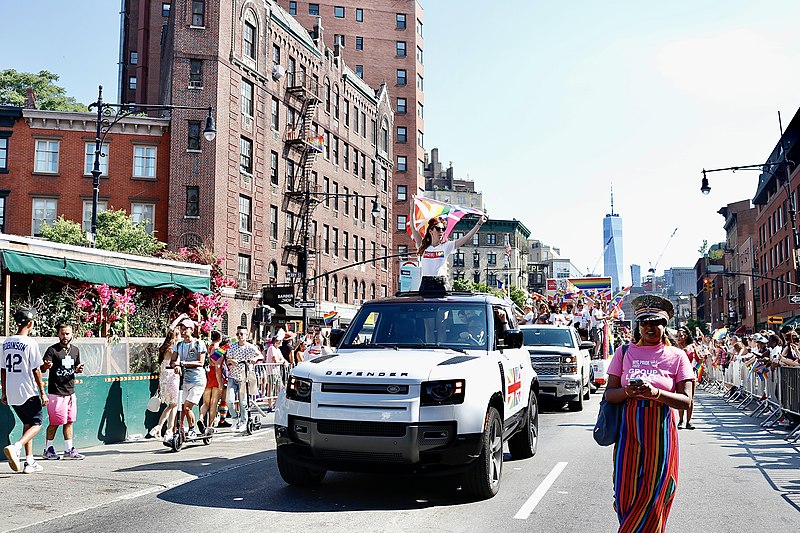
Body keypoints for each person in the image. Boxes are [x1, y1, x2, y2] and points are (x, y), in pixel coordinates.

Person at [605, 295, 694, 532]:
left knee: (655, 495)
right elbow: (609, 395)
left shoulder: (678, 356)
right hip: (628, 429)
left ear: (665, 326)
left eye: (655, 322)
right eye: (644, 322)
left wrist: (655, 393)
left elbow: (686, 401)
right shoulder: (623, 352)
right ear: (638, 325)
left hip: (661, 430)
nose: (649, 327)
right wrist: (627, 391)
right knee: (624, 494)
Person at [2, 308, 48, 474]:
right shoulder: (30, 343)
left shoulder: (6, 342)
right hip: (28, 391)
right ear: (30, 323)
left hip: (12, 392)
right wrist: (42, 392)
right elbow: (37, 370)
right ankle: (16, 447)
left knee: (27, 423)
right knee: (37, 424)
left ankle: (29, 462)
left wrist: (5, 392)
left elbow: (3, 369)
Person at [410, 208, 487, 292]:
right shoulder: (423, 246)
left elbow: (466, 238)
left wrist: (479, 223)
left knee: (443, 304)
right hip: (426, 283)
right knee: (426, 304)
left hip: (441, 283)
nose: (441, 231)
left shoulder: (446, 246)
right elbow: (413, 228)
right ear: (431, 231)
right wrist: (412, 208)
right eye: (438, 229)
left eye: (443, 229)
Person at [41, 323, 85, 460]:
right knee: (55, 422)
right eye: (62, 333)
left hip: (71, 392)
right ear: (58, 334)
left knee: (69, 421)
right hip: (56, 393)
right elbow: (42, 369)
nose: (65, 336)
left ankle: (68, 450)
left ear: (72, 334)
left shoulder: (75, 350)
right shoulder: (52, 350)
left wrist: (78, 370)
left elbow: (75, 368)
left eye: (67, 333)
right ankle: (48, 449)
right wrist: (46, 366)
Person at [171, 318, 207, 439]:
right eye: (181, 328)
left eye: (185, 328)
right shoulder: (178, 344)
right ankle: (178, 430)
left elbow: (200, 362)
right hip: (185, 380)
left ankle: (192, 430)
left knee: (187, 407)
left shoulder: (198, 343)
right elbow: (172, 361)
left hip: (198, 381)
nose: (183, 330)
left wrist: (184, 364)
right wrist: (175, 365)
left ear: (192, 330)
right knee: (181, 408)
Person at [148, 324, 181, 440]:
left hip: (164, 379)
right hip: (173, 378)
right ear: (176, 337)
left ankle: (165, 428)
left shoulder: (163, 350)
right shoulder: (173, 350)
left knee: (171, 405)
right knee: (174, 405)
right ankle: (165, 428)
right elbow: (176, 363)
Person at [225, 325, 261, 431]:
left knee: (243, 402)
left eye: (241, 334)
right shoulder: (232, 346)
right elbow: (226, 358)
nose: (239, 336)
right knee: (229, 400)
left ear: (246, 335)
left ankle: (243, 421)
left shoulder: (250, 347)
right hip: (232, 376)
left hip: (244, 376)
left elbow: (260, 355)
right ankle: (235, 418)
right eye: (237, 334)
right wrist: (231, 361)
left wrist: (255, 358)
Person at [198, 330, 223, 433]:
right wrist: (220, 383)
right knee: (214, 403)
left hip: (208, 375)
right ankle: (210, 426)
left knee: (205, 402)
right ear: (220, 338)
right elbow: (217, 366)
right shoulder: (218, 349)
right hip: (215, 376)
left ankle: (200, 417)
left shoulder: (209, 347)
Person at [675, 325, 697, 430]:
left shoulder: (692, 346)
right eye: (677, 336)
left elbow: (700, 359)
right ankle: (680, 420)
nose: (678, 338)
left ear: (686, 336)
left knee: (690, 399)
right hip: (679, 375)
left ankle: (689, 421)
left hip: (690, 375)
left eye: (681, 336)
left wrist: (695, 367)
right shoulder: (674, 348)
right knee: (680, 397)